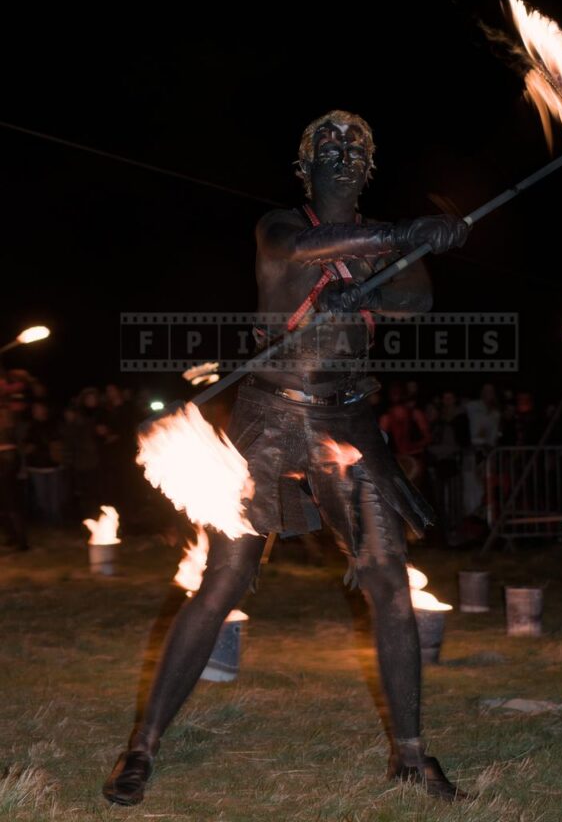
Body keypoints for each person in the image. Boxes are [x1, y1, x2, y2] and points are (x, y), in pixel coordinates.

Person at [103, 110, 469, 806]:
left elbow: (412, 304)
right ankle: (141, 748)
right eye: (326, 143)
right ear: (304, 165)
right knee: (225, 578)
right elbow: (300, 249)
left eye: (356, 145)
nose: (342, 151)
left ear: (370, 167)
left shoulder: (386, 245)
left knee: (389, 579)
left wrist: (421, 245)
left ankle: (413, 756)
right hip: (269, 417)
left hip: (348, 420)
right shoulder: (279, 225)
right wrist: (401, 236)